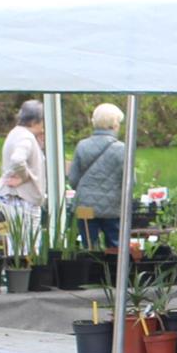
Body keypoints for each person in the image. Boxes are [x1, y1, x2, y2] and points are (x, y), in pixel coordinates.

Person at [66, 103, 127, 251]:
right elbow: (130, 182)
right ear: (114, 124)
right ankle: (111, 273)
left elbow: (73, 180)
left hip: (85, 205)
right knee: (114, 247)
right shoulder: (122, 149)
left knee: (89, 246)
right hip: (113, 208)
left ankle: (91, 272)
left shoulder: (82, 146)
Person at [0, 99, 47, 256]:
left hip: (14, 197)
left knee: (18, 244)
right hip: (22, 198)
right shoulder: (25, 137)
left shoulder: (16, 133)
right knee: (26, 247)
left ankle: (18, 278)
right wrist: (24, 177)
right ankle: (24, 279)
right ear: (35, 121)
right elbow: (18, 159)